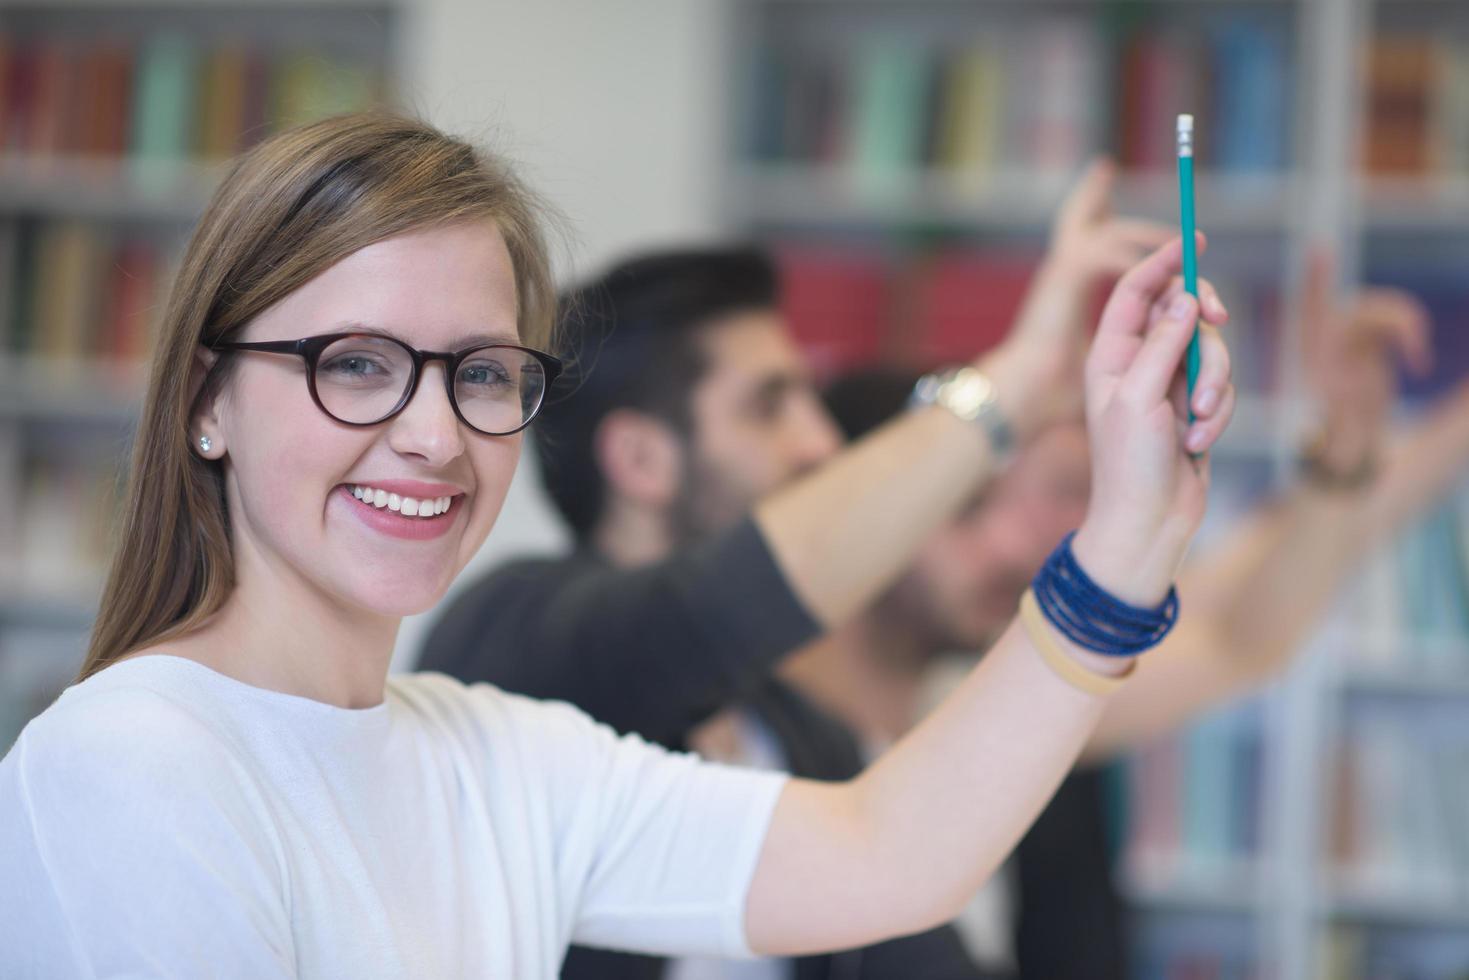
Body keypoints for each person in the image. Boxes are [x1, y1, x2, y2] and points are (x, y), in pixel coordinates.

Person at [0, 112, 1235, 979]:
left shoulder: (496, 757)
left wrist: (1124, 536)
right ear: (207, 399)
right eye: (356, 364)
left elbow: (887, 850)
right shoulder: (133, 759)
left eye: (479, 372)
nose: (431, 433)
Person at [418, 166, 1221, 978]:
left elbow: (902, 897)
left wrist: (1132, 529)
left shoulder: (795, 726)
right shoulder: (516, 635)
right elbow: (722, 602)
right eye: (769, 405)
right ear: (640, 459)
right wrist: (1023, 375)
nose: (818, 444)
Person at [793, 255, 1462, 975]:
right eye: (964, 507)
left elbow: (1241, 629)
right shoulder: (769, 750)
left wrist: (1346, 451)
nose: (1014, 540)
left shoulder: (980, 696)